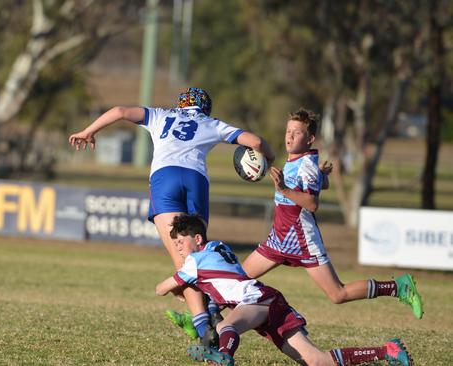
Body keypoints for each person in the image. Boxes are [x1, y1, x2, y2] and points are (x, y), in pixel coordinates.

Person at [69, 87, 276, 341]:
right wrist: (271, 158)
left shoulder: (160, 115)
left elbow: (120, 111)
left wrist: (88, 131)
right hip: (195, 180)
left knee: (184, 261)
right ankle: (212, 307)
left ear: (180, 105)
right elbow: (255, 142)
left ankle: (203, 331)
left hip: (164, 178)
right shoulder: (211, 123)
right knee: (199, 254)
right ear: (205, 109)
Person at [155, 214, 414, 366]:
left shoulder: (194, 261)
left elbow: (161, 288)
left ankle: (224, 357)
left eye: (180, 241)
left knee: (226, 328)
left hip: (259, 301)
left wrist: (175, 286)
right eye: (175, 243)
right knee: (316, 361)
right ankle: (388, 351)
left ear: (197, 239)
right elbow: (219, 285)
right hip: (266, 301)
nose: (177, 246)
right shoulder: (218, 247)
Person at [239, 108, 423, 320]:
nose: (289, 136)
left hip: (301, 240)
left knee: (338, 294)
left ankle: (398, 287)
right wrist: (321, 178)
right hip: (279, 239)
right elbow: (315, 187)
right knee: (238, 278)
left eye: (297, 132)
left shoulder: (306, 165)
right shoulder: (299, 161)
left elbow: (312, 203)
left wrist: (284, 190)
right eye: (288, 131)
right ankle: (206, 317)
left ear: (310, 139)